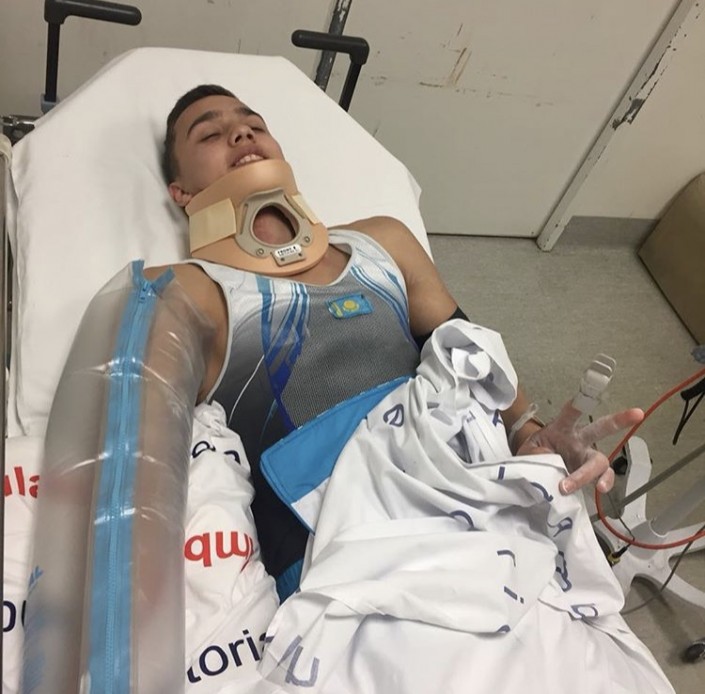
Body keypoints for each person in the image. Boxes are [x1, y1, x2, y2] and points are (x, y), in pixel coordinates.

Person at [149, 84, 643, 593]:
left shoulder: (382, 241)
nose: (241, 133)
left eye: (254, 124)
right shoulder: (179, 291)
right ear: (180, 192)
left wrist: (526, 433)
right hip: (346, 573)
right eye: (210, 134)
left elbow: (468, 355)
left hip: (479, 515)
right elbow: (138, 471)